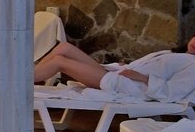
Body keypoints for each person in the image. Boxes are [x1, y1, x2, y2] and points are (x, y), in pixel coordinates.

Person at [34, 37, 195, 103]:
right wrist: (124, 66)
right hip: (118, 75)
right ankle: (25, 78)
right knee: (64, 47)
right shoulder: (175, 53)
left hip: (128, 87)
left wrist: (142, 78)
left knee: (60, 62)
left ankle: (21, 82)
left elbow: (171, 92)